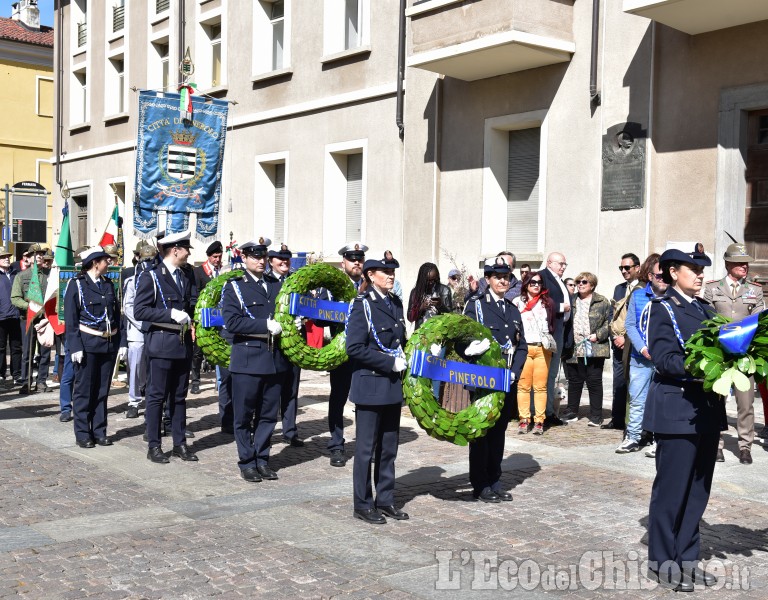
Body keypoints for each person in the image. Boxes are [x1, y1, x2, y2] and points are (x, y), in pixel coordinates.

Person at [644, 246, 725, 592]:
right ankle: (662, 560)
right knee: (673, 489)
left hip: (706, 410)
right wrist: (702, 366)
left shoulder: (706, 309)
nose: (701, 274)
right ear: (674, 272)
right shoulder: (662, 309)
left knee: (698, 490)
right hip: (677, 408)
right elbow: (664, 358)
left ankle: (687, 559)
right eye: (694, 269)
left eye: (703, 269)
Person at [346, 253, 409, 523]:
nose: (391, 275)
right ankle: (362, 503)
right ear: (371, 275)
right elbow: (355, 348)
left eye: (393, 271)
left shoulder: (395, 303)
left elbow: (399, 340)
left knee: (388, 448)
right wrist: (388, 363)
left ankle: (385, 499)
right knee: (365, 450)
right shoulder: (363, 305)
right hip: (371, 385)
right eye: (385, 271)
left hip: (391, 388)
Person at [221, 237, 289, 482]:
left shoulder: (276, 284)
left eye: (262, 257)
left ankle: (262, 458)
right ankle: (247, 461)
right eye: (255, 257)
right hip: (248, 360)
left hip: (274, 360)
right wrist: (264, 325)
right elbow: (233, 322)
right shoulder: (235, 286)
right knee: (243, 415)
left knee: (269, 415)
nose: (260, 261)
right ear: (244, 258)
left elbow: (286, 315)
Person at [463, 257, 528, 502]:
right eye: (497, 276)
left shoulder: (512, 309)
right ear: (487, 279)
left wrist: (515, 372)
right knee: (482, 432)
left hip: (506, 380)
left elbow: (521, 345)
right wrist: (470, 349)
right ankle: (480, 484)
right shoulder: (476, 305)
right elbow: (462, 339)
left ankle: (494, 478)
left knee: (499, 431)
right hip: (483, 381)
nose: (503, 280)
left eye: (506, 277)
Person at [134, 230, 198, 464]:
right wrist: (169, 314)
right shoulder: (150, 276)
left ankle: (180, 443)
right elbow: (140, 311)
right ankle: (154, 445)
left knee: (179, 397)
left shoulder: (184, 276)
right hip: (161, 343)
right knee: (156, 396)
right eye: (186, 249)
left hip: (182, 344)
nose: (189, 253)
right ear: (175, 250)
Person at [703, 242, 765, 465]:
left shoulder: (754, 290)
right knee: (716, 400)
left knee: (745, 402)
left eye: (746, 263)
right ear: (728, 263)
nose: (744, 266)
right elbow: (707, 319)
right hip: (719, 354)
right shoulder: (712, 288)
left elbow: (758, 321)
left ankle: (745, 446)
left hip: (744, 354)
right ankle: (716, 444)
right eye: (739, 263)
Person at [64, 246, 126, 448]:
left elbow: (117, 315)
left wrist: (121, 342)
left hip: (107, 344)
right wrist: (75, 346)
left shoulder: (108, 284)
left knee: (101, 391)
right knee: (84, 391)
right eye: (105, 260)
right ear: (95, 262)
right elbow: (71, 319)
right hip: (87, 344)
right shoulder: (77, 285)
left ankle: (99, 431)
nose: (109, 262)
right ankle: (83, 433)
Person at [317, 242, 368, 467]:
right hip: (342, 352)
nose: (356, 262)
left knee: (365, 401)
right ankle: (337, 445)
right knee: (338, 399)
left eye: (360, 258)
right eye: (352, 258)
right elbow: (319, 318)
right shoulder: (331, 288)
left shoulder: (369, 287)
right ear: (343, 263)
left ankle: (365, 444)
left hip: (365, 354)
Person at [616, 253, 666, 453]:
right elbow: (630, 325)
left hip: (663, 359)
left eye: (665, 276)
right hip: (640, 358)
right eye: (657, 276)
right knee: (637, 399)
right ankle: (633, 437)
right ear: (650, 276)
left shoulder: (671, 296)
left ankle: (658, 439)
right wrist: (643, 348)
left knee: (660, 401)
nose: (661, 279)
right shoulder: (638, 295)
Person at [560, 272, 612, 426]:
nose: (580, 284)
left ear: (592, 285)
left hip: (595, 347)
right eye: (578, 282)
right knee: (574, 380)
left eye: (584, 282)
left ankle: (596, 415)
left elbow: (609, 322)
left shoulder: (602, 301)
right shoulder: (571, 300)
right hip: (574, 347)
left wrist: (598, 335)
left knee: (594, 381)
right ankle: (572, 411)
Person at [267, 243, 304, 447]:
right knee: (271, 390)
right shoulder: (266, 281)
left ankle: (290, 431)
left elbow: (306, 304)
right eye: (280, 259)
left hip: (295, 343)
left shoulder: (296, 280)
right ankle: (267, 430)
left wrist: (302, 319)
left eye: (287, 258)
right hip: (273, 343)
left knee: (291, 389)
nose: (284, 262)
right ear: (271, 261)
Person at [512, 272, 555, 434]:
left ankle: (539, 421)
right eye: (533, 283)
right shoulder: (517, 302)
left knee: (540, 387)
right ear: (526, 284)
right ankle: (524, 419)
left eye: (539, 283)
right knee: (523, 386)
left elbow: (552, 324)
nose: (536, 285)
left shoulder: (547, 302)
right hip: (524, 348)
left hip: (542, 348)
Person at [603, 253, 641, 430]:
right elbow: (612, 315)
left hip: (634, 344)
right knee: (618, 382)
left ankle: (632, 421)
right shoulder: (619, 289)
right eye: (621, 268)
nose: (624, 271)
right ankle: (616, 418)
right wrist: (614, 337)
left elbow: (640, 317)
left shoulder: (642, 288)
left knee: (635, 383)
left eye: (627, 268)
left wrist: (626, 338)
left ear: (637, 268)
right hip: (617, 343)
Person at [11, 244, 52, 393]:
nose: (40, 256)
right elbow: (15, 298)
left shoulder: (49, 275)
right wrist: (29, 308)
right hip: (27, 317)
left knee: (45, 351)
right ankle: (26, 381)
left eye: (41, 254)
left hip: (45, 318)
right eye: (36, 254)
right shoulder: (21, 276)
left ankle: (41, 381)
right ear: (28, 258)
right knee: (27, 352)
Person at [123, 244, 157, 419]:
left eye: (150, 260)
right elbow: (127, 306)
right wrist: (141, 324)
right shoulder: (131, 280)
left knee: (154, 366)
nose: (147, 263)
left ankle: (152, 400)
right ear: (138, 258)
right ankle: (133, 401)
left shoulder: (159, 277)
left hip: (156, 327)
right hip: (138, 329)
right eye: (144, 259)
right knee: (135, 364)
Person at [540, 252, 570, 426]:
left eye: (565, 264)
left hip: (559, 330)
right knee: (544, 375)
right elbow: (538, 300)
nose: (563, 267)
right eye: (561, 264)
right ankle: (541, 413)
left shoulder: (558, 279)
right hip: (549, 332)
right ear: (550, 263)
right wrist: (560, 306)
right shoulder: (543, 277)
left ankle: (550, 412)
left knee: (552, 375)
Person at [191, 240, 224, 395]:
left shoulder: (222, 272)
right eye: (215, 257)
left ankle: (220, 380)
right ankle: (196, 380)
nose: (217, 260)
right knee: (198, 351)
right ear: (209, 257)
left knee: (218, 347)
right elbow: (195, 295)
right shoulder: (199, 272)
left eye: (219, 256)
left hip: (218, 317)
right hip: (203, 316)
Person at [407, 262, 453, 328]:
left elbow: (451, 317)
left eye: (434, 280)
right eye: (428, 280)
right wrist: (421, 308)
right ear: (422, 279)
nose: (431, 283)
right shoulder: (415, 292)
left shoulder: (445, 290)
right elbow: (410, 317)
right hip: (421, 334)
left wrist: (440, 305)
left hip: (439, 333)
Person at [0, 247, 22, 386]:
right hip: (1, 318)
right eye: (3, 257)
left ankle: (17, 374)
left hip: (15, 316)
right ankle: (1, 373)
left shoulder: (16, 274)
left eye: (8, 256)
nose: (7, 259)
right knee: (1, 348)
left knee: (16, 347)